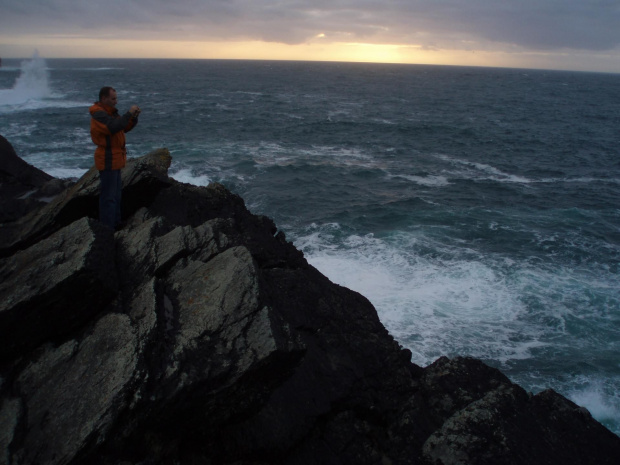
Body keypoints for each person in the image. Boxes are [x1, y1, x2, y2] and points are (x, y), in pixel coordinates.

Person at [89, 86, 140, 230]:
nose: (116, 101)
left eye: (116, 98)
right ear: (104, 98)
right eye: (113, 98)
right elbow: (114, 126)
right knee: (108, 197)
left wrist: (133, 117)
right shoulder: (99, 115)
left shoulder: (109, 113)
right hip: (107, 158)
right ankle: (107, 228)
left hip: (116, 158)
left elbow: (123, 127)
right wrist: (128, 113)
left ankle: (116, 223)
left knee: (116, 195)